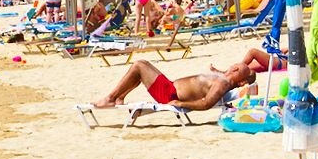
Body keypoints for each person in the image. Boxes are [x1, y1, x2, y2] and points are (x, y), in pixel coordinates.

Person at [92, 59, 258, 112]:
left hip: (169, 94)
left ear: (241, 81)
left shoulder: (223, 84)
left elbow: (206, 103)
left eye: (237, 70)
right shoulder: (224, 78)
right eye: (235, 65)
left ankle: (111, 98)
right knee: (143, 66)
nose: (233, 67)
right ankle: (120, 96)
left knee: (139, 66)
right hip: (170, 88)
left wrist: (181, 103)